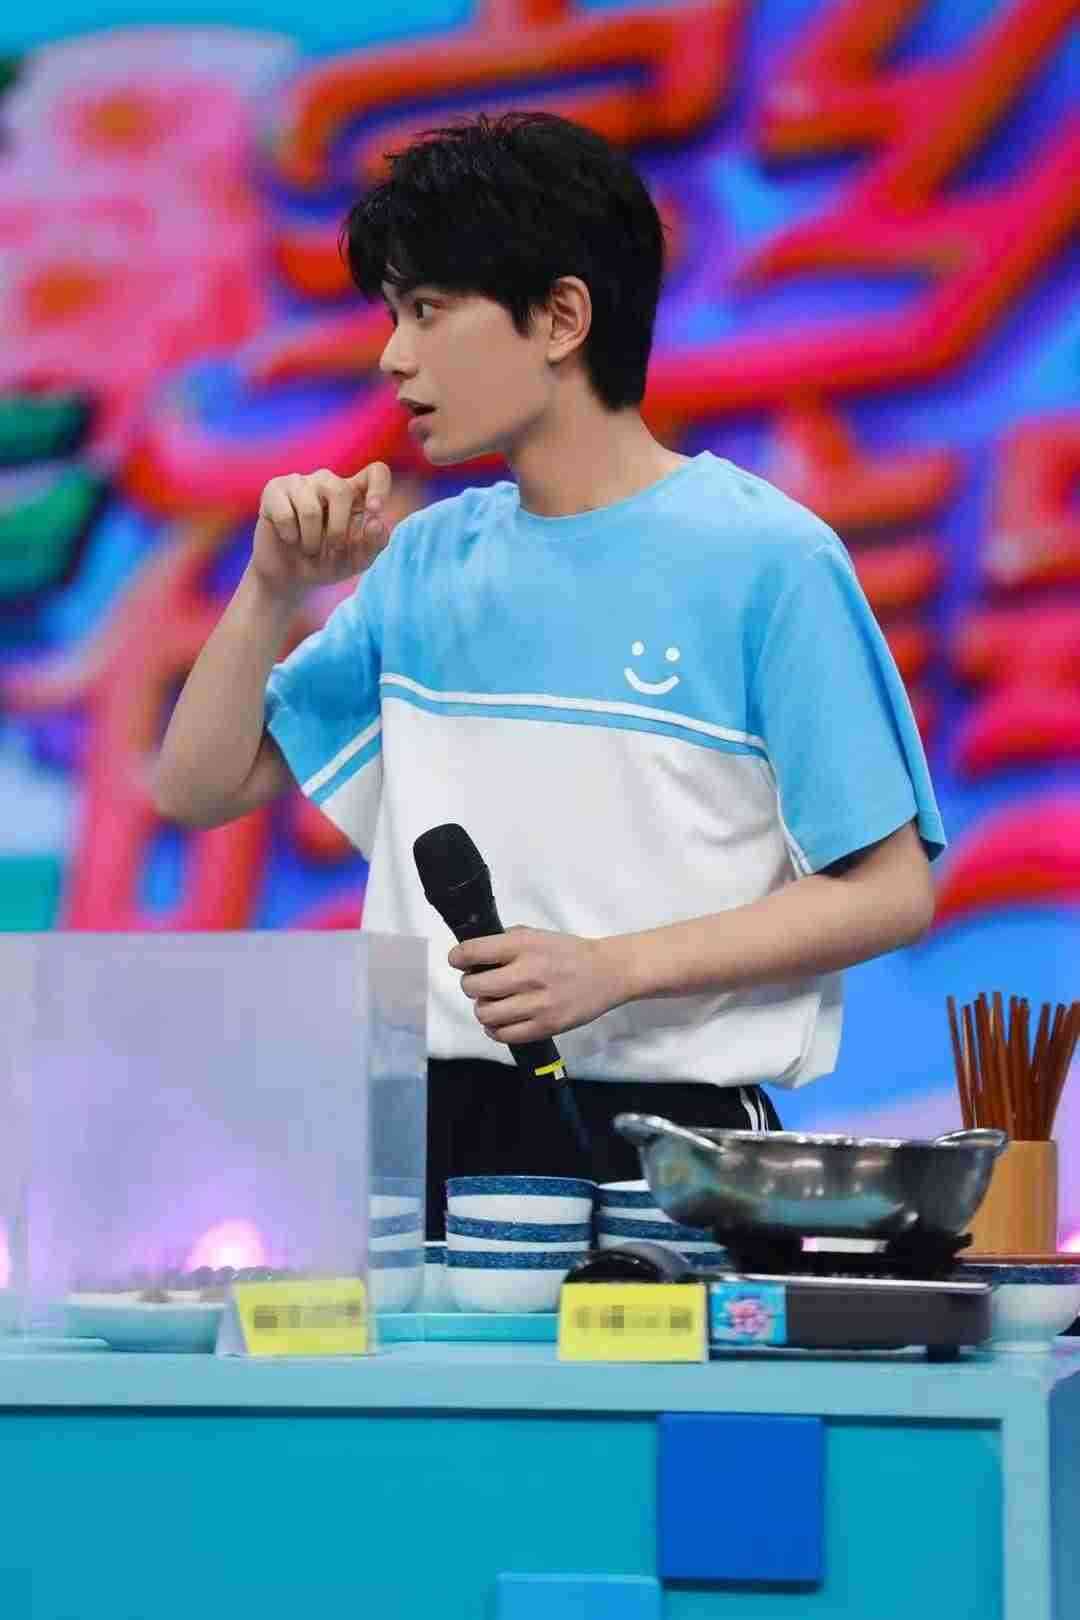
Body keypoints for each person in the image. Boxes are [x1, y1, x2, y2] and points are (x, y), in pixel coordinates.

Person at [155, 112, 944, 1237]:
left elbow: (890, 888)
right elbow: (195, 786)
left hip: (674, 1146)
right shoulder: (427, 559)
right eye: (392, 314)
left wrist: (613, 969)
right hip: (423, 1132)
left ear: (563, 318)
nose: (393, 356)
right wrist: (271, 588)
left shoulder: (767, 559)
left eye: (429, 311)